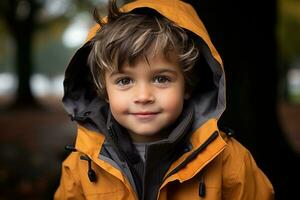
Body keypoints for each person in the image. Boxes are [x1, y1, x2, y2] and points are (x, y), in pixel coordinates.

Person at [54, 0, 274, 199]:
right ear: (104, 90)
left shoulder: (228, 160)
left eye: (161, 79)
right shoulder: (81, 166)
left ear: (187, 85)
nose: (143, 96)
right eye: (124, 81)